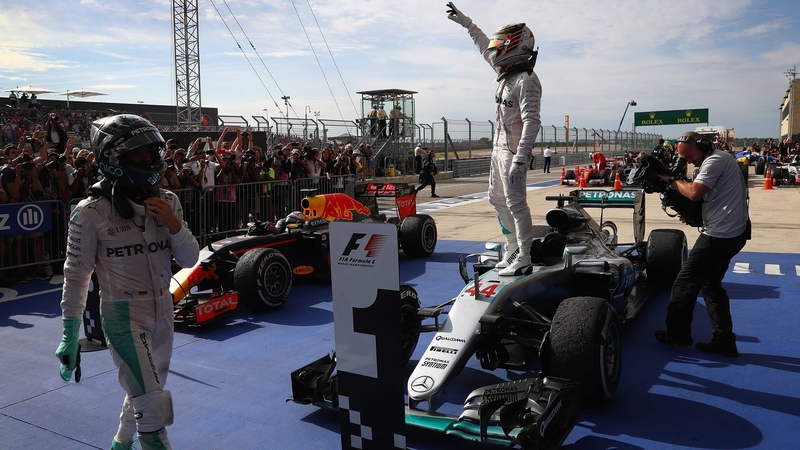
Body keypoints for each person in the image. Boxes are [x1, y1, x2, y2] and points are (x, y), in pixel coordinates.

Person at [55, 114, 199, 450]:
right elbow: (76, 275)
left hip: (164, 308)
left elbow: (191, 260)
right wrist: (68, 334)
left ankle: (120, 443)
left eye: (151, 152)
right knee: (154, 409)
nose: (148, 160)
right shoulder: (89, 212)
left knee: (146, 392)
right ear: (113, 157)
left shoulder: (169, 202)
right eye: (138, 154)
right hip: (123, 312)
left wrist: (175, 226)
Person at [446, 2, 542, 276]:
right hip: (499, 148)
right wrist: (467, 23)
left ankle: (525, 255)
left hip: (513, 152)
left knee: (516, 203)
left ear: (516, 46)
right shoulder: (506, 75)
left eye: (502, 45)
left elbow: (532, 122)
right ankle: (512, 246)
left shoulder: (527, 80)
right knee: (495, 199)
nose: (495, 49)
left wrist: (521, 159)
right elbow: (482, 46)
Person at [653, 131, 750, 357]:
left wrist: (673, 181)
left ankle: (678, 335)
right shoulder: (714, 159)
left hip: (720, 235)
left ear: (704, 144)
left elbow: (695, 193)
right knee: (710, 285)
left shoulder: (715, 160)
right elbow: (709, 198)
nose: (689, 161)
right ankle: (724, 340)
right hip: (733, 232)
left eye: (690, 156)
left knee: (684, 283)